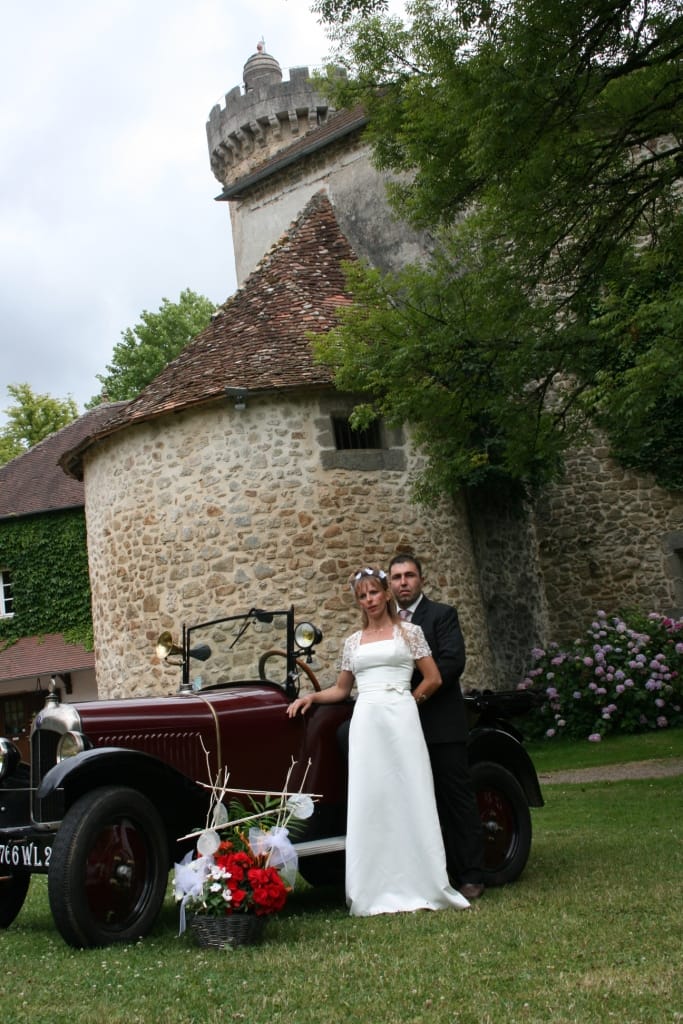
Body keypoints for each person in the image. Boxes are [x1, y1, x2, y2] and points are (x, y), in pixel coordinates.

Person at [287, 566, 470, 917]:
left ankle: (425, 880)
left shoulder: (411, 633)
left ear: (386, 594)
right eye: (362, 596)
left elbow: (432, 677)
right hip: (367, 721)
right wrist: (311, 698)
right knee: (372, 798)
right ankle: (373, 885)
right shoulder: (353, 642)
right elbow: (342, 689)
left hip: (401, 716)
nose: (369, 600)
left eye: (373, 593)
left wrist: (407, 700)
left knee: (411, 793)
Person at [388, 553, 485, 901]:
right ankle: (427, 872)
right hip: (398, 729)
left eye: (409, 575)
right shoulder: (382, 623)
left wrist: (412, 694)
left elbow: (451, 662)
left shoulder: (441, 615)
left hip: (439, 724)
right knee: (413, 801)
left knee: (455, 798)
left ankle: (472, 873)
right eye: (397, 576)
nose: (403, 582)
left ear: (420, 580)